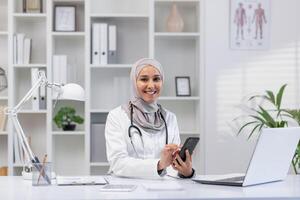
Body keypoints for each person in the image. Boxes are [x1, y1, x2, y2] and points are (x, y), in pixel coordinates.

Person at [105, 58, 195, 179]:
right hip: (128, 191)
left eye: (157, 79)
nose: (151, 85)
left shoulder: (169, 118)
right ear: (134, 81)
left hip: (162, 191)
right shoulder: (117, 116)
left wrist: (186, 172)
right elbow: (118, 163)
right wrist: (159, 165)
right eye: (144, 79)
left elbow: (172, 167)